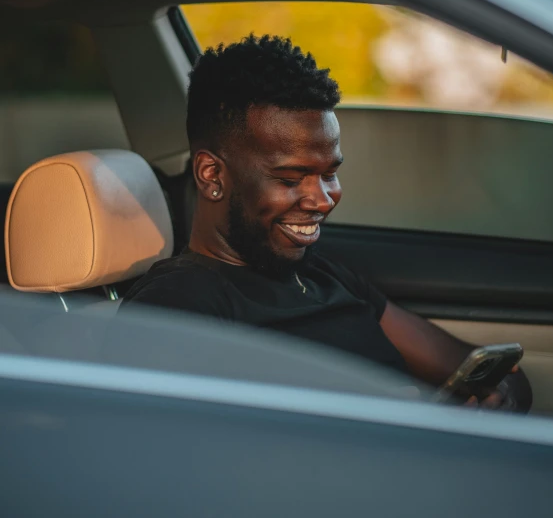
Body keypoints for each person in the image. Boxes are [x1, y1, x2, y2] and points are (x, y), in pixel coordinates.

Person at [122, 34, 531, 411]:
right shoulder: (178, 304)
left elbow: (470, 365)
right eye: (289, 179)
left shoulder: (322, 274)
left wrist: (499, 395)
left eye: (329, 173)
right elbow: (193, 460)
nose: (323, 199)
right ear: (212, 175)